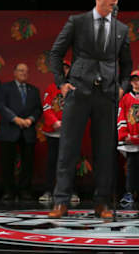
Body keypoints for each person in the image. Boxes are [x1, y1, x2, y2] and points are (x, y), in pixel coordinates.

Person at [48, 0, 132, 219]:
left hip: (106, 95)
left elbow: (127, 65)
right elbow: (56, 53)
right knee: (68, 148)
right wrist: (61, 83)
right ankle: (61, 201)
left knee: (105, 151)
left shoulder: (121, 29)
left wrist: (122, 88)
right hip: (78, 92)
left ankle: (102, 202)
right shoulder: (77, 21)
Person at [0, 63, 42, 201]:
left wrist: (30, 119)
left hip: (28, 131)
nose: (24, 73)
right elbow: (1, 106)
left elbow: (38, 109)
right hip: (9, 130)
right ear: (14, 72)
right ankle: (8, 191)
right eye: (21, 70)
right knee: (7, 163)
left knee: (27, 164)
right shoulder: (5, 87)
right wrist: (15, 119)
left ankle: (24, 191)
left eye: (26, 71)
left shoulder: (34, 90)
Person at [38, 60, 80, 203]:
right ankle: (49, 191)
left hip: (70, 133)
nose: (64, 71)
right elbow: (46, 107)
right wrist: (55, 122)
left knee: (70, 162)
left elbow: (79, 109)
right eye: (61, 68)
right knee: (52, 162)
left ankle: (72, 191)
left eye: (66, 68)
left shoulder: (75, 89)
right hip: (53, 132)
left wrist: (68, 123)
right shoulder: (51, 88)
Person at [117, 70, 139, 206]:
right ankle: (129, 192)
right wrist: (125, 135)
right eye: (134, 80)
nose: (136, 82)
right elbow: (121, 117)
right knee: (131, 168)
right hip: (129, 141)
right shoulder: (125, 98)